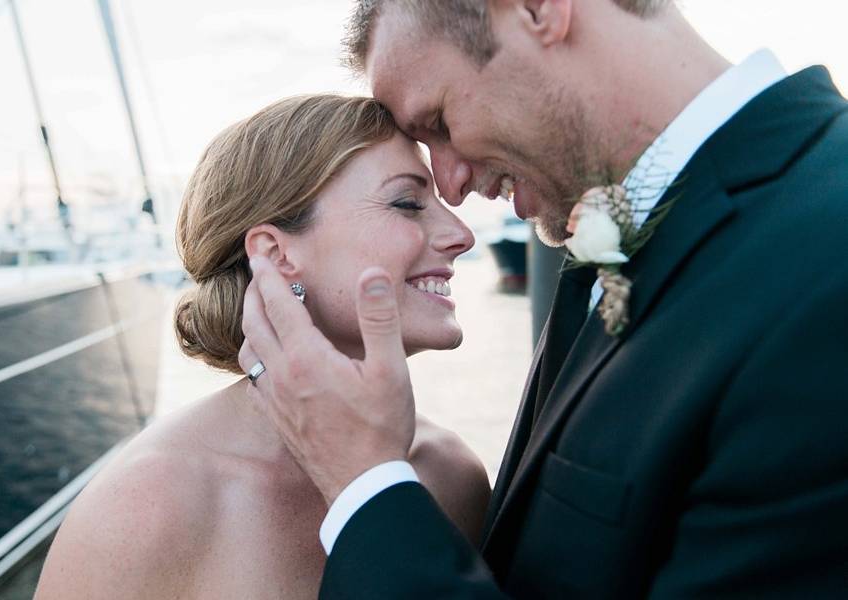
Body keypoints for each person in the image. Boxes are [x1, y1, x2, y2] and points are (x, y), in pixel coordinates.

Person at [240, 0, 848, 597]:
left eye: (441, 123)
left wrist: (365, 484)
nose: (451, 183)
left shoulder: (827, 275)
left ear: (537, 10)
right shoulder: (616, 243)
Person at [34, 94, 490, 599]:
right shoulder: (144, 507)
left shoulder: (449, 477)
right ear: (275, 254)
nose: (461, 235)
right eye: (407, 203)